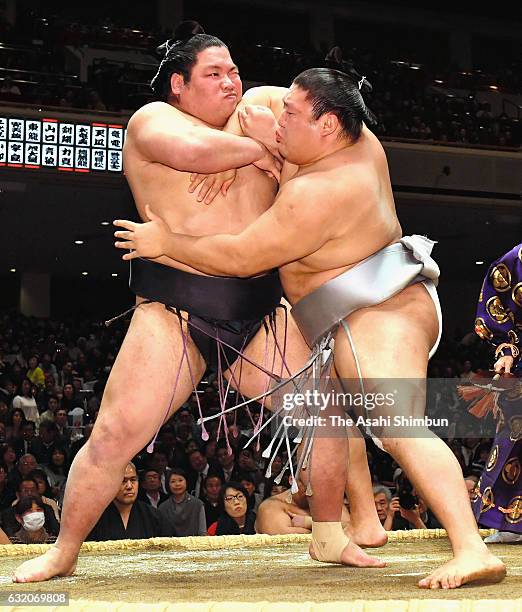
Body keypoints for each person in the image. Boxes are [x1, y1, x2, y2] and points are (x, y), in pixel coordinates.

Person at [115, 67, 506, 588]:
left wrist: (168, 244)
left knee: (396, 427)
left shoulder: (321, 191)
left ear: (326, 126)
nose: (281, 118)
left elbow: (239, 254)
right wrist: (256, 145)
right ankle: (364, 520)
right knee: (326, 405)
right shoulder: (350, 136)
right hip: (342, 307)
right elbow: (265, 117)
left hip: (376, 308)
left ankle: (471, 547)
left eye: (292, 116)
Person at [13, 32, 378, 583]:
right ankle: (63, 551)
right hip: (176, 309)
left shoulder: (262, 107)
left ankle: (329, 534)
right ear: (179, 85)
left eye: (234, 70)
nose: (232, 81)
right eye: (214, 74)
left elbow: (339, 132)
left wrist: (271, 149)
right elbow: (194, 154)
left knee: (325, 415)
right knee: (113, 436)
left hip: (259, 308)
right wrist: (262, 148)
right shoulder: (152, 120)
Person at [472, 243, 522, 544]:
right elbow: (498, 298)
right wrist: (507, 348)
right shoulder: (518, 258)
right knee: (513, 441)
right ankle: (508, 520)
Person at [87, 463, 162, 541]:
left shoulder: (153, 516)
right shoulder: (95, 518)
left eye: (133, 480)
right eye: (123, 481)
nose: (129, 486)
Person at [158, 468, 206, 536]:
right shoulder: (163, 507)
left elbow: (202, 533)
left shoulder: (198, 504)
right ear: (168, 485)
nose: (177, 484)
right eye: (173, 481)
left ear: (186, 482)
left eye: (180, 480)